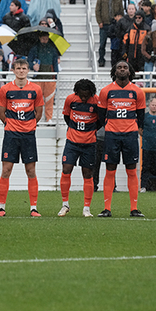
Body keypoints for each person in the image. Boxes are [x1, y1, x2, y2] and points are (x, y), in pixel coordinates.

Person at [0, 58, 44, 217]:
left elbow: (38, 113)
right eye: (18, 68)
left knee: (31, 170)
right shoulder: (5, 89)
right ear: (13, 70)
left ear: (28, 70)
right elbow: (2, 113)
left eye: (24, 68)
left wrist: (28, 125)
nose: (21, 71)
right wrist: (12, 125)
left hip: (28, 135)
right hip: (11, 135)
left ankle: (33, 208)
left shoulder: (36, 89)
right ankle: (1, 207)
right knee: (6, 170)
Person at [97, 61, 146, 217]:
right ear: (115, 71)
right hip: (111, 135)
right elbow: (100, 115)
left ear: (129, 71)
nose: (122, 69)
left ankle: (134, 208)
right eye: (119, 67)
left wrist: (133, 128)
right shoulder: (106, 91)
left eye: (125, 67)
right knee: (110, 170)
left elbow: (141, 116)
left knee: (131, 170)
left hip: (130, 135)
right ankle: (107, 208)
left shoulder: (138, 92)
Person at [58, 79, 101, 218]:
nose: (83, 98)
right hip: (72, 142)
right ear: (77, 92)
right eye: (81, 95)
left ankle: (86, 208)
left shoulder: (96, 101)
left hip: (89, 143)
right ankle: (65, 204)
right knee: (66, 169)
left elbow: (100, 120)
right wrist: (75, 130)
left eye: (86, 95)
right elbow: (66, 117)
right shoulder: (70, 99)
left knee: (88, 174)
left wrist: (90, 131)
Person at [95, 0, 124, 67]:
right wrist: (99, 21)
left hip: (115, 25)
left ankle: (114, 61)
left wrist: (119, 20)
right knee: (102, 44)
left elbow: (121, 11)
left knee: (115, 45)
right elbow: (97, 10)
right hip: (104, 24)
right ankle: (101, 59)